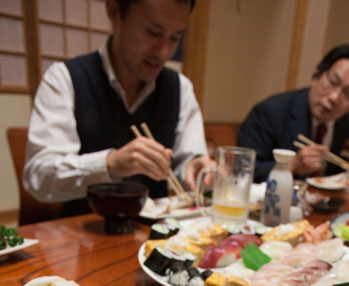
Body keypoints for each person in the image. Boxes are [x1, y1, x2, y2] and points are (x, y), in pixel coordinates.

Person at [23, 0, 212, 216]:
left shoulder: (181, 88)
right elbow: (39, 177)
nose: (163, 52)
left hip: (158, 238)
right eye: (153, 32)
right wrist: (110, 164)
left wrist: (197, 170)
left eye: (175, 37)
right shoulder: (65, 79)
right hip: (81, 235)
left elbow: (187, 164)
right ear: (113, 11)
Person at [237, 44, 349, 183]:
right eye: (333, 82)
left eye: (348, 94)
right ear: (317, 74)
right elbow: (241, 169)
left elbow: (322, 168)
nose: (334, 97)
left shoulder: (342, 121)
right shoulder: (270, 112)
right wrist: (291, 166)